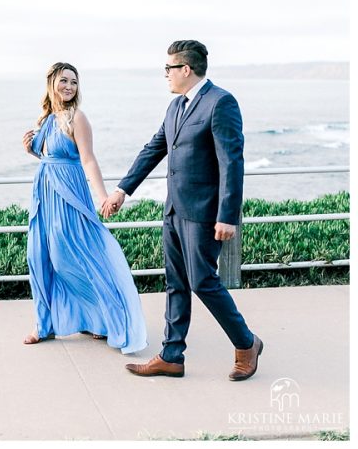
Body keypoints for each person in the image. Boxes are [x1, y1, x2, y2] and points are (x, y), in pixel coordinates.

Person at [102, 40, 262, 381]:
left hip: (205, 213)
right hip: (174, 209)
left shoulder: (221, 103)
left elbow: (231, 162)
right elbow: (154, 148)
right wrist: (122, 189)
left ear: (185, 69)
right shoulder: (175, 106)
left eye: (168, 69)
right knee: (176, 282)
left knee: (203, 281)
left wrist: (227, 215)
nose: (166, 75)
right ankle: (172, 356)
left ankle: (247, 344)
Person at [21, 62, 147, 354]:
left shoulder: (77, 118)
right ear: (51, 83)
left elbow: (88, 159)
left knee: (70, 257)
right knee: (38, 257)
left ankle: (107, 316)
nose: (69, 86)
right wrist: (32, 150)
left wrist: (103, 196)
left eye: (74, 82)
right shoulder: (47, 119)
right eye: (63, 80)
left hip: (70, 197)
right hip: (44, 197)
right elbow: (50, 158)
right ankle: (44, 325)